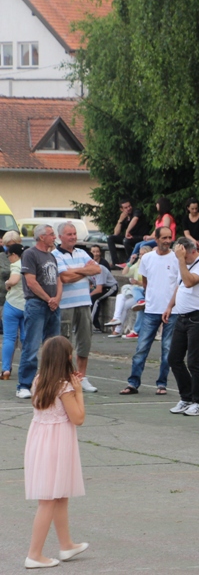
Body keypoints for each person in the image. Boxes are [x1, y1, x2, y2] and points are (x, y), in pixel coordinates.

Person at [23, 336, 89, 569]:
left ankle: (66, 544)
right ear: (66, 358)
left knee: (59, 495)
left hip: (40, 440)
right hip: (57, 443)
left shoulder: (39, 380)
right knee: (49, 500)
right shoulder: (64, 388)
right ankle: (34, 554)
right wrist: (78, 391)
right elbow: (78, 418)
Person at [120, 227, 179, 396]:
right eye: (164, 238)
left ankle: (162, 384)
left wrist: (171, 305)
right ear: (157, 239)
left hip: (172, 311)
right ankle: (133, 383)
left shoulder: (176, 258)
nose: (167, 241)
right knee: (141, 348)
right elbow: (145, 281)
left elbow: (179, 284)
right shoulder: (147, 258)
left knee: (167, 349)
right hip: (152, 309)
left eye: (169, 237)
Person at [164, 238, 199, 417]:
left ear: (191, 251)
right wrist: (170, 306)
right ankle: (186, 397)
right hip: (182, 316)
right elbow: (180, 287)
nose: (181, 259)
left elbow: (189, 282)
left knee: (194, 361)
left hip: (197, 318)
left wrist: (180, 260)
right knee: (174, 358)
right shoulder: (184, 264)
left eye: (183, 255)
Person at [52, 223, 102, 394]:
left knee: (85, 340)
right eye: (69, 234)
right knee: (64, 342)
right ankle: (63, 376)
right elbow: (64, 278)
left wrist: (76, 270)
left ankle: (81, 377)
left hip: (84, 303)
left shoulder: (81, 252)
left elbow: (96, 268)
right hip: (65, 304)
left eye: (74, 233)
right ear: (60, 236)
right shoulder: (55, 255)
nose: (73, 237)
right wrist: (85, 271)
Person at [18, 225, 63, 399]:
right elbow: (31, 282)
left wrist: (57, 298)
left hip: (53, 305)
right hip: (36, 304)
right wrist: (48, 299)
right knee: (32, 345)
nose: (54, 237)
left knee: (53, 346)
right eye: (51, 234)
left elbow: (58, 280)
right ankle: (24, 384)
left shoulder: (51, 256)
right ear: (42, 237)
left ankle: (50, 383)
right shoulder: (30, 254)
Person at [2, 243, 26, 380]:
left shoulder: (16, 265)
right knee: (25, 338)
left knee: (9, 338)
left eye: (9, 255)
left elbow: (14, 279)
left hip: (12, 304)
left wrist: (7, 283)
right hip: (26, 305)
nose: (9, 258)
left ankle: (6, 369)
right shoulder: (29, 264)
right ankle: (25, 367)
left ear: (15, 255)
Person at [107, 198, 151, 266]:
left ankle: (131, 262)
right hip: (130, 237)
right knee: (110, 238)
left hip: (140, 237)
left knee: (126, 240)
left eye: (129, 206)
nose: (128, 208)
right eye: (126, 207)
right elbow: (116, 233)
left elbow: (135, 219)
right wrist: (120, 220)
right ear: (121, 209)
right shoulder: (124, 217)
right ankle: (115, 263)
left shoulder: (136, 211)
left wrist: (127, 231)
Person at [88, 264, 118, 331]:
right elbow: (89, 283)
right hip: (99, 287)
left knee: (95, 299)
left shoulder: (99, 269)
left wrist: (89, 295)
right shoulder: (85, 270)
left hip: (110, 287)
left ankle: (92, 325)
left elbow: (99, 289)